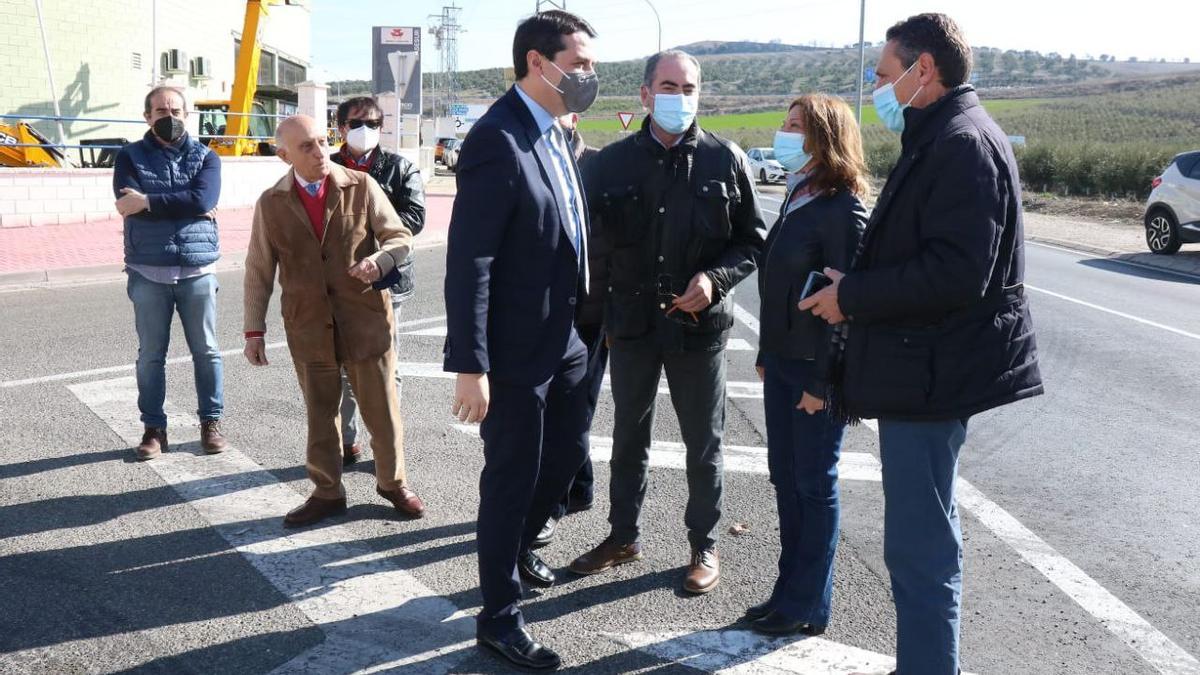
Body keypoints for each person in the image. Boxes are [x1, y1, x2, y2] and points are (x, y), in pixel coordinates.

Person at [799, 13, 1043, 675]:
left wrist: (852, 295)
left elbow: (957, 273)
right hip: (923, 369)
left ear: (922, 71)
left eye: (883, 74)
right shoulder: (942, 135)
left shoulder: (961, 144)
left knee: (920, 550)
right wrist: (858, 284)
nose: (877, 87)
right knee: (924, 542)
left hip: (930, 376)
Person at [568, 50, 766, 594]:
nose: (680, 97)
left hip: (699, 332)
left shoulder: (726, 160)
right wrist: (594, 318)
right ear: (645, 94)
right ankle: (623, 536)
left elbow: (751, 241)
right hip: (630, 326)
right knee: (628, 439)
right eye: (668, 86)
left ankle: (704, 544)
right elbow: (586, 247)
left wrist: (715, 280)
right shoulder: (607, 164)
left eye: (689, 87)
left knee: (704, 443)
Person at [443, 11, 598, 671]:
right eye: (580, 61)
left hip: (565, 336)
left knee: (566, 458)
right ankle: (499, 616)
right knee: (509, 478)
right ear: (540, 62)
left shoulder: (557, 132)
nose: (589, 74)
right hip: (513, 350)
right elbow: (469, 261)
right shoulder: (496, 139)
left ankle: (525, 541)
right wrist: (470, 364)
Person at [242, 114, 425, 528]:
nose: (320, 152)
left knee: (382, 411)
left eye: (322, 142)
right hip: (307, 325)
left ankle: (393, 482)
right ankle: (327, 491)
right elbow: (258, 269)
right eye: (306, 146)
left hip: (364, 320)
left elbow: (399, 236)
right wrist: (254, 330)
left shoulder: (360, 186)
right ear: (283, 154)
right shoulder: (271, 203)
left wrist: (380, 262)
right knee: (321, 415)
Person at [744, 94, 868, 636]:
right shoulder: (798, 193)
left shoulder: (843, 208)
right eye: (785, 123)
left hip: (816, 373)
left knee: (814, 486)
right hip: (783, 363)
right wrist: (767, 353)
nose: (785, 134)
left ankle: (808, 607)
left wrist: (823, 382)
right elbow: (778, 285)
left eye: (797, 126)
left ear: (824, 136)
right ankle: (786, 594)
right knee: (785, 480)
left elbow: (847, 307)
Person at [114, 85, 226, 461]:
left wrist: (148, 201)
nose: (169, 117)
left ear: (187, 114)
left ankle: (211, 422)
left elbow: (203, 199)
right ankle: (153, 430)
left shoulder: (207, 157)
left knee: (207, 351)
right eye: (161, 110)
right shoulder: (128, 157)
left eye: (176, 110)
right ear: (147, 116)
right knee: (150, 355)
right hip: (148, 269)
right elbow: (124, 203)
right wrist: (184, 204)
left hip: (197, 268)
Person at [330, 96, 427, 467]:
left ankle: (387, 441)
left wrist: (368, 235)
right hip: (340, 281)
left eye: (372, 123)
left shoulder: (400, 168)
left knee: (386, 367)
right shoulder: (328, 166)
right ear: (341, 127)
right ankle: (345, 441)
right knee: (341, 367)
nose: (365, 130)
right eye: (356, 123)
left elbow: (413, 217)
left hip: (388, 279)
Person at [533, 111, 606, 549]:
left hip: (592, 318)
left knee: (577, 414)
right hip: (547, 316)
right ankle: (575, 491)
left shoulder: (600, 165)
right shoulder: (532, 161)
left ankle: (552, 504)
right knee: (560, 415)